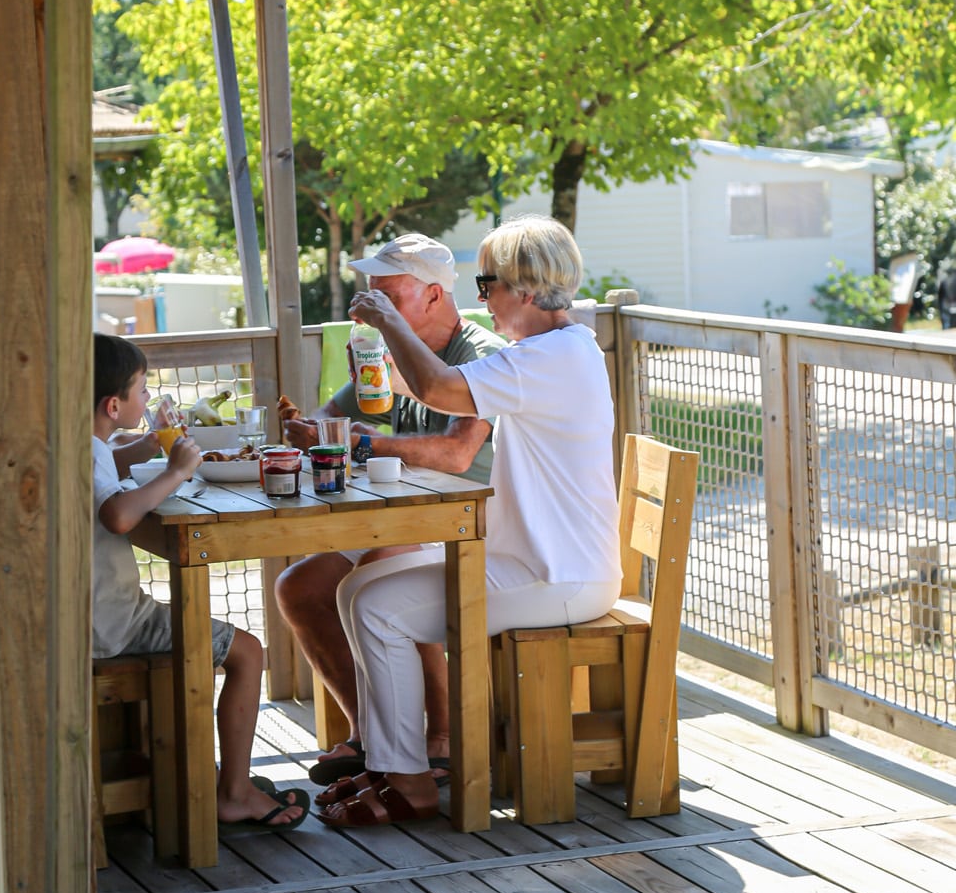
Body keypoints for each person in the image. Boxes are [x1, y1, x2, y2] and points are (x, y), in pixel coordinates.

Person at [317, 215, 622, 829]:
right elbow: (429, 388)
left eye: (487, 287)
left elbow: (436, 386)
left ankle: (411, 782)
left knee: (378, 609)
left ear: (527, 290)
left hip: (555, 574)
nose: (481, 302)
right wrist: (387, 364)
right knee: (356, 590)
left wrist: (388, 319)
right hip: (543, 561)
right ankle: (389, 763)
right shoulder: (555, 351)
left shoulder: (550, 357)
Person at [274, 235, 504, 788]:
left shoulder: (482, 354)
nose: (371, 306)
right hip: (410, 518)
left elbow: (456, 453)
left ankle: (443, 739)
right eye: (369, 292)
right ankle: (370, 735)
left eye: (386, 295)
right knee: (298, 589)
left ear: (432, 295)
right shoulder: (382, 352)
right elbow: (331, 417)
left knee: (384, 563)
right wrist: (312, 431)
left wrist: (362, 444)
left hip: (479, 528)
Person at [92, 334, 309, 831]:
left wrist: (147, 446)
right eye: (142, 391)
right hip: (112, 624)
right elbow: (119, 516)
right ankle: (234, 793)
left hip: (83, 614)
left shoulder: (77, 441)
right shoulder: (91, 450)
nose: (148, 401)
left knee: (226, 640)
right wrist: (175, 471)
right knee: (249, 651)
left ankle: (212, 777)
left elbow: (105, 466)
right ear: (113, 403)